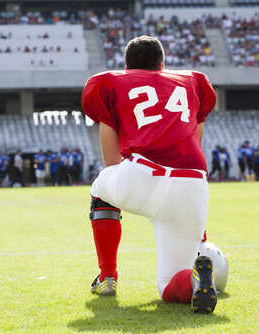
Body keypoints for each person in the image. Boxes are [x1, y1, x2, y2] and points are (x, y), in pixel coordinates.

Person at [82, 35, 218, 313]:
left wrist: (128, 186)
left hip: (143, 173)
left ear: (126, 65)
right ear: (162, 64)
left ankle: (108, 276)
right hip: (192, 186)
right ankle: (194, 278)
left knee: (101, 187)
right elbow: (196, 145)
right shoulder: (192, 82)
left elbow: (111, 161)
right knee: (169, 286)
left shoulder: (111, 83)